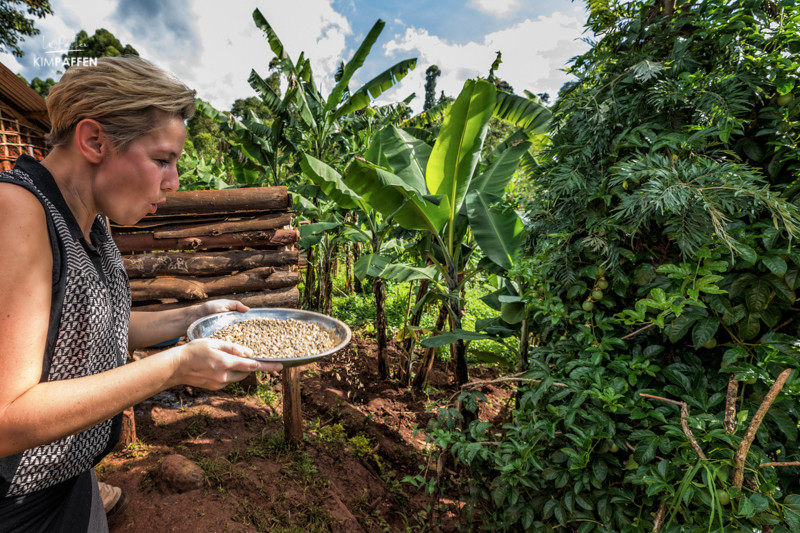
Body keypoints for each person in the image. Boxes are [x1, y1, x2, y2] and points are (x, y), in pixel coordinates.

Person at [0, 56, 282, 532]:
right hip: (18, 506)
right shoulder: (17, 213)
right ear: (94, 141)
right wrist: (173, 367)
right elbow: (7, 417)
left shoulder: (93, 220)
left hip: (72, 478)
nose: (172, 182)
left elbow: (91, 326)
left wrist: (198, 313)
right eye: (162, 160)